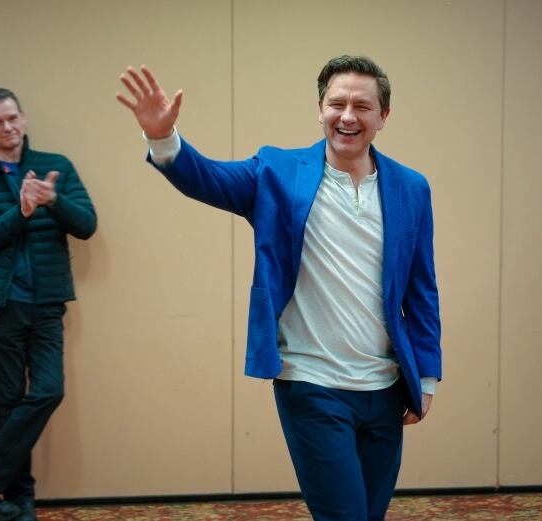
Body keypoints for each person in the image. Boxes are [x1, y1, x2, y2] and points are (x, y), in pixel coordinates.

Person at [117, 56, 441, 521]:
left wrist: (425, 377)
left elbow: (421, 289)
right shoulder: (276, 172)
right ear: (320, 109)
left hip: (385, 387)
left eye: (362, 107)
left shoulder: (411, 187)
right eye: (337, 103)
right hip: (311, 384)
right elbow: (205, 178)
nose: (348, 116)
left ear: (383, 116)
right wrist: (163, 138)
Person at [0, 88, 97, 521]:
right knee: (8, 404)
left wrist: (53, 200)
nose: (8, 127)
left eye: (12, 118)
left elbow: (87, 225)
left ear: (24, 117)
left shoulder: (57, 167)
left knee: (49, 390)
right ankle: (19, 501)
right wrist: (22, 211)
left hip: (46, 302)